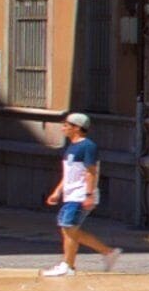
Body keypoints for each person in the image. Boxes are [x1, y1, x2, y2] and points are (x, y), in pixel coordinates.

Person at [44, 113, 115, 276]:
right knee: (68, 230)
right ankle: (106, 253)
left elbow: (91, 172)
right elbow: (69, 174)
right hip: (71, 195)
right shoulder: (71, 147)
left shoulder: (88, 146)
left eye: (66, 125)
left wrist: (88, 195)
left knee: (69, 229)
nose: (63, 128)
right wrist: (57, 191)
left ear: (76, 127)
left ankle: (68, 266)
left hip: (80, 195)